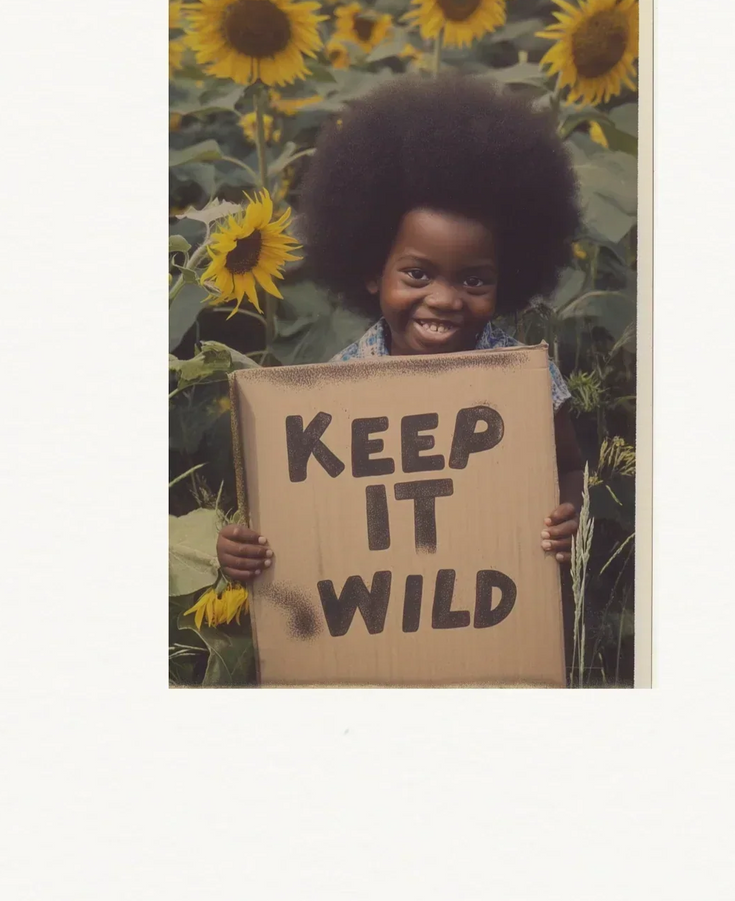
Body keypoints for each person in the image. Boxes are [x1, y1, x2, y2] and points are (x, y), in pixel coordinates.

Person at [217, 70, 587, 592]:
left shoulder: (527, 381)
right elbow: (296, 516)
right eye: (418, 273)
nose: (443, 299)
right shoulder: (336, 389)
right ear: (372, 268)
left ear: (507, 281)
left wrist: (568, 515)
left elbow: (569, 466)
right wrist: (241, 549)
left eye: (474, 279)